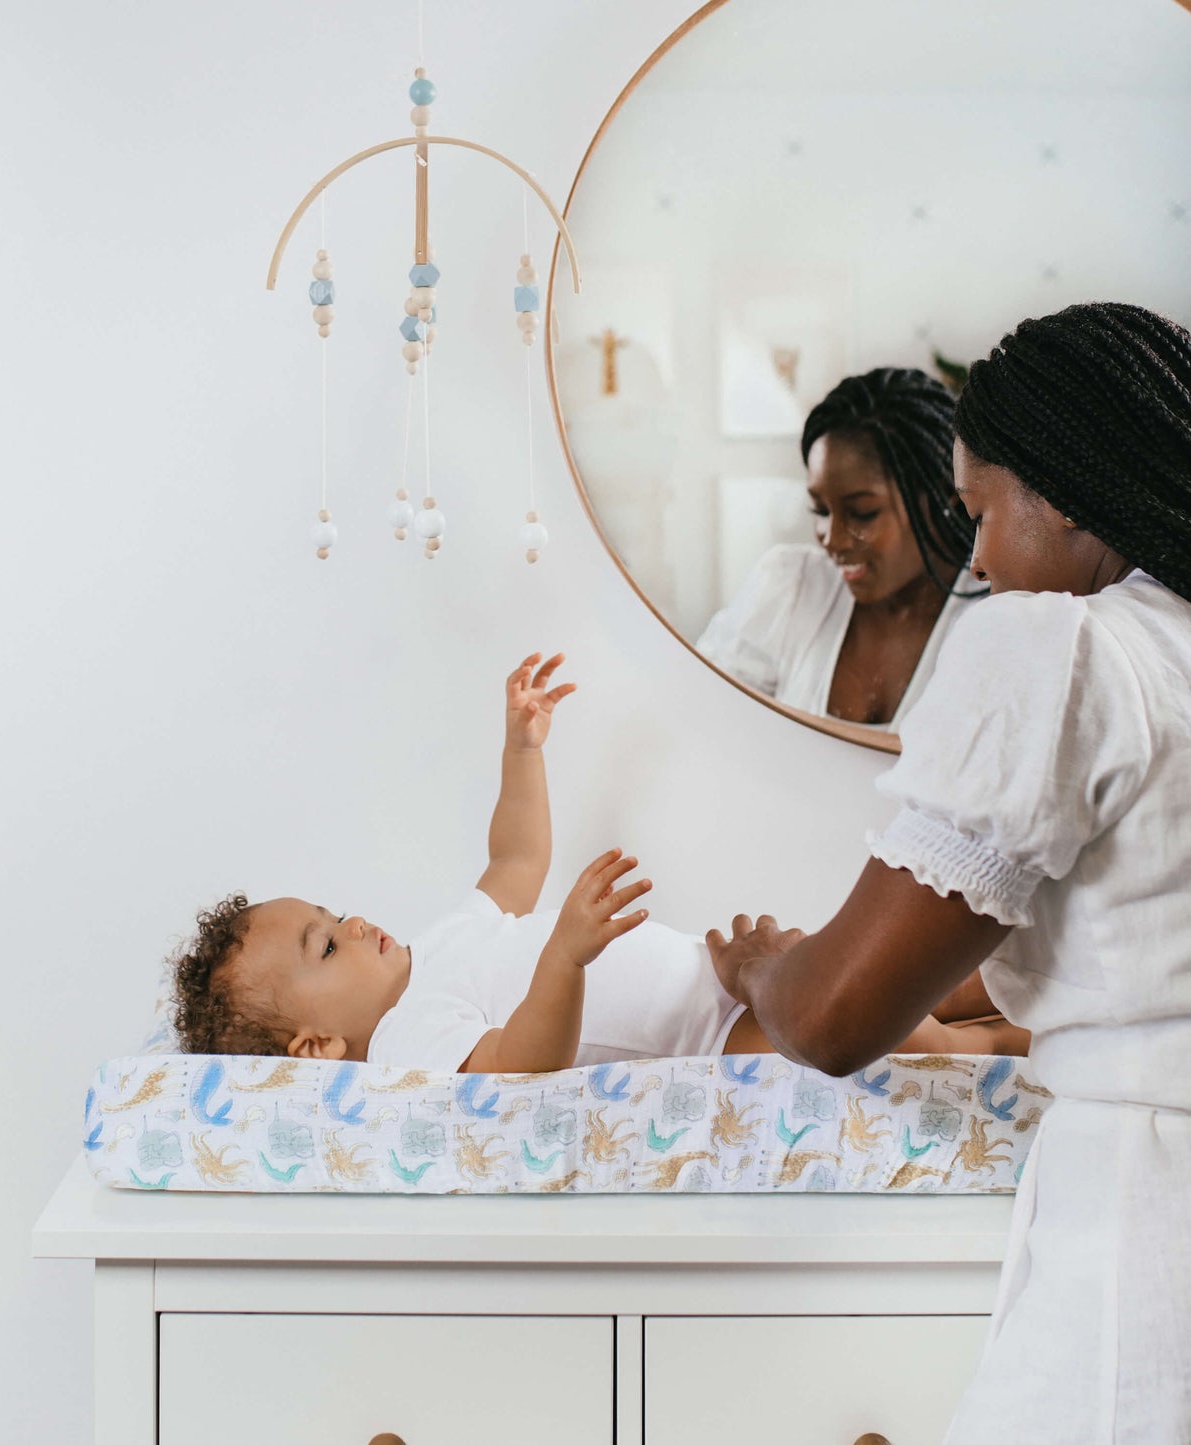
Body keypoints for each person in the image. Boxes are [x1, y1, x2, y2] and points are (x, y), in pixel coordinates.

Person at [706, 302, 1191, 1441]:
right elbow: (1124, 941)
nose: (974, 557)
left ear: (1061, 491)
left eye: (978, 512)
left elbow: (831, 1020)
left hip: (1143, 1212)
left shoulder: (1064, 646)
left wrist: (764, 966)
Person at [171, 653, 1026, 1074]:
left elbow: (515, 856)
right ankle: (1014, 1048)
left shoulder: (439, 946)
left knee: (918, 976)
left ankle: (1035, 998)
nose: (353, 924)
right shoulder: (406, 1043)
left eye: (333, 913)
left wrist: (522, 748)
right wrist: (563, 957)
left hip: (719, 978)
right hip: (720, 1037)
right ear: (317, 1046)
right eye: (326, 946)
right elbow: (520, 1067)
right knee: (922, 1038)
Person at [697, 367, 983, 726]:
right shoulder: (789, 587)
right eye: (820, 509)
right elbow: (703, 723)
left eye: (862, 513)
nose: (832, 540)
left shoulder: (994, 617)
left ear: (946, 494)